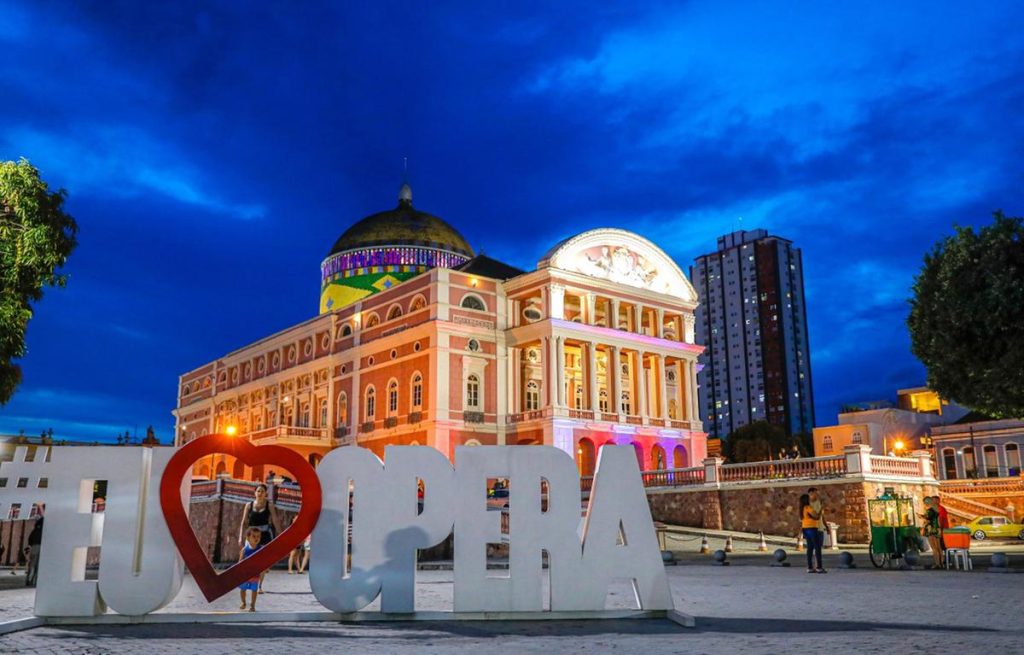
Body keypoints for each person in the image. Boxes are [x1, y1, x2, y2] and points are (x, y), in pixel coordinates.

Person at [239, 483, 280, 593]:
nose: (260, 493)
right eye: (258, 491)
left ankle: (259, 586)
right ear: (255, 493)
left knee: (262, 563)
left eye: (262, 491)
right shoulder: (249, 505)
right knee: (249, 560)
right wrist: (240, 537)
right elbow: (243, 522)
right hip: (251, 536)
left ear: (266, 493)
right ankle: (248, 581)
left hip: (265, 535)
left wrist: (280, 534)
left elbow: (275, 520)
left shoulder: (269, 505)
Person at [800, 490, 826, 573]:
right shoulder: (808, 508)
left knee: (810, 548)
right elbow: (817, 516)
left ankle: (810, 567)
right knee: (817, 547)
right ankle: (819, 567)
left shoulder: (801, 509)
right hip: (812, 528)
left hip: (805, 528)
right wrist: (821, 508)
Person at [238, 528, 262, 612]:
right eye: (254, 536)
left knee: (254, 590)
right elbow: (240, 562)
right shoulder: (244, 550)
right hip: (245, 575)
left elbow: (264, 560)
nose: (256, 538)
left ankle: (252, 605)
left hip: (255, 574)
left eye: (258, 536)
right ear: (248, 538)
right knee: (242, 589)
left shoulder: (261, 549)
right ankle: (243, 602)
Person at [921, 497, 943, 569]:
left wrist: (921, 516)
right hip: (937, 529)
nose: (924, 504)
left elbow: (927, 520)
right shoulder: (936, 509)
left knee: (934, 548)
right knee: (939, 547)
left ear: (927, 503)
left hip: (931, 529)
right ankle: (942, 563)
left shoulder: (929, 511)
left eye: (924, 503)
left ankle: (937, 564)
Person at [25, 510, 44, 587]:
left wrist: (29, 546)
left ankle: (29, 580)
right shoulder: (44, 530)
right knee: (39, 565)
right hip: (42, 547)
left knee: (32, 564)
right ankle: (35, 581)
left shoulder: (35, 530)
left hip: (34, 546)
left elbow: (30, 539)